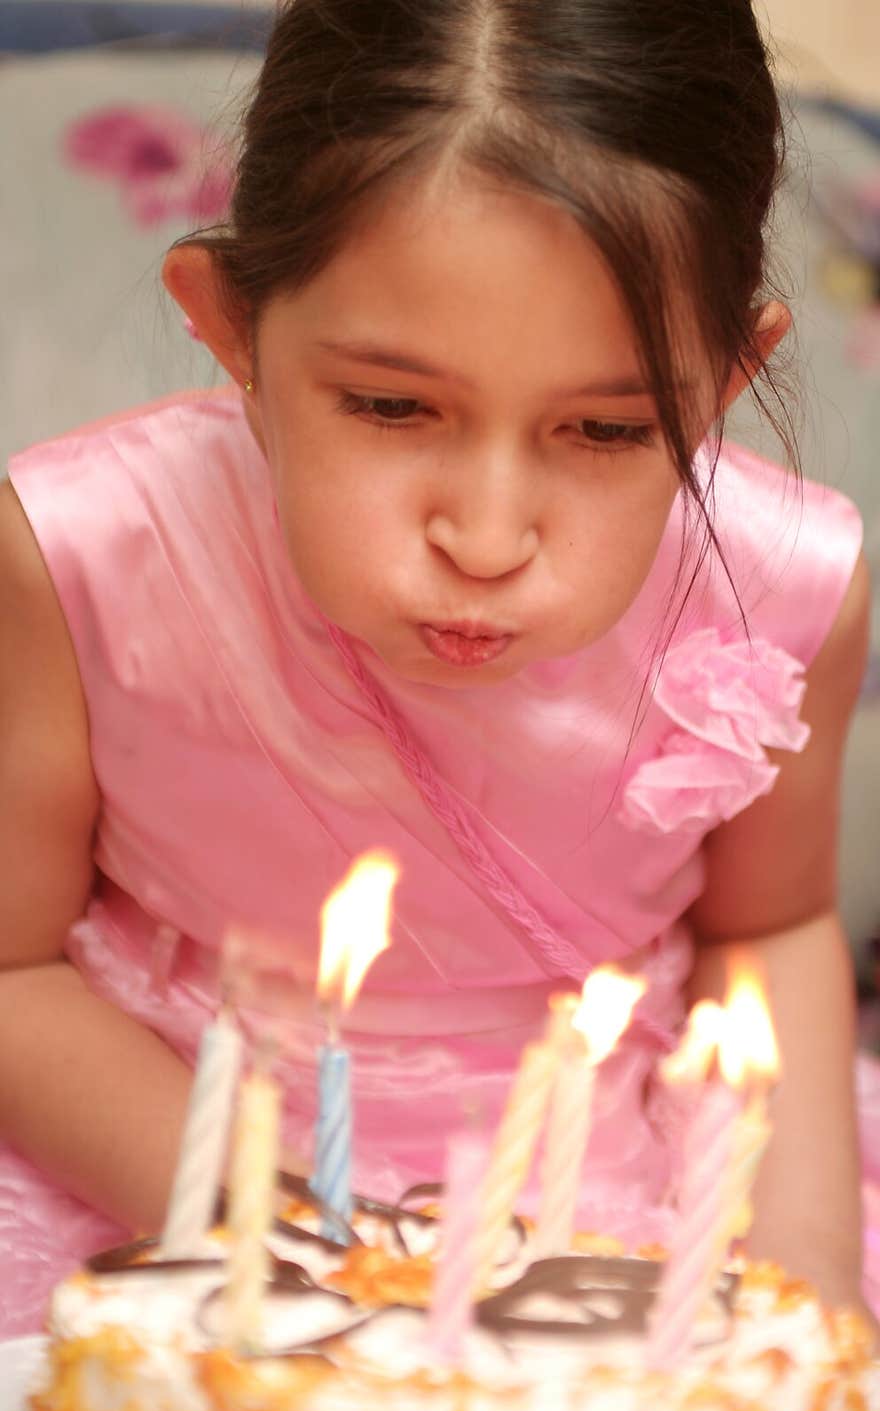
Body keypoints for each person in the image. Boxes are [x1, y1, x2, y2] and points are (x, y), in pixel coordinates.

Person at [0, 0, 877, 1343]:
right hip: (163, 1164)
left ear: (719, 383)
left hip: (608, 1177)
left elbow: (769, 927)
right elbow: (9, 968)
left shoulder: (786, 580)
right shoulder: (80, 552)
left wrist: (808, 1287)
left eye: (604, 427)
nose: (484, 536)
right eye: (393, 406)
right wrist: (283, 1238)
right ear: (229, 323)